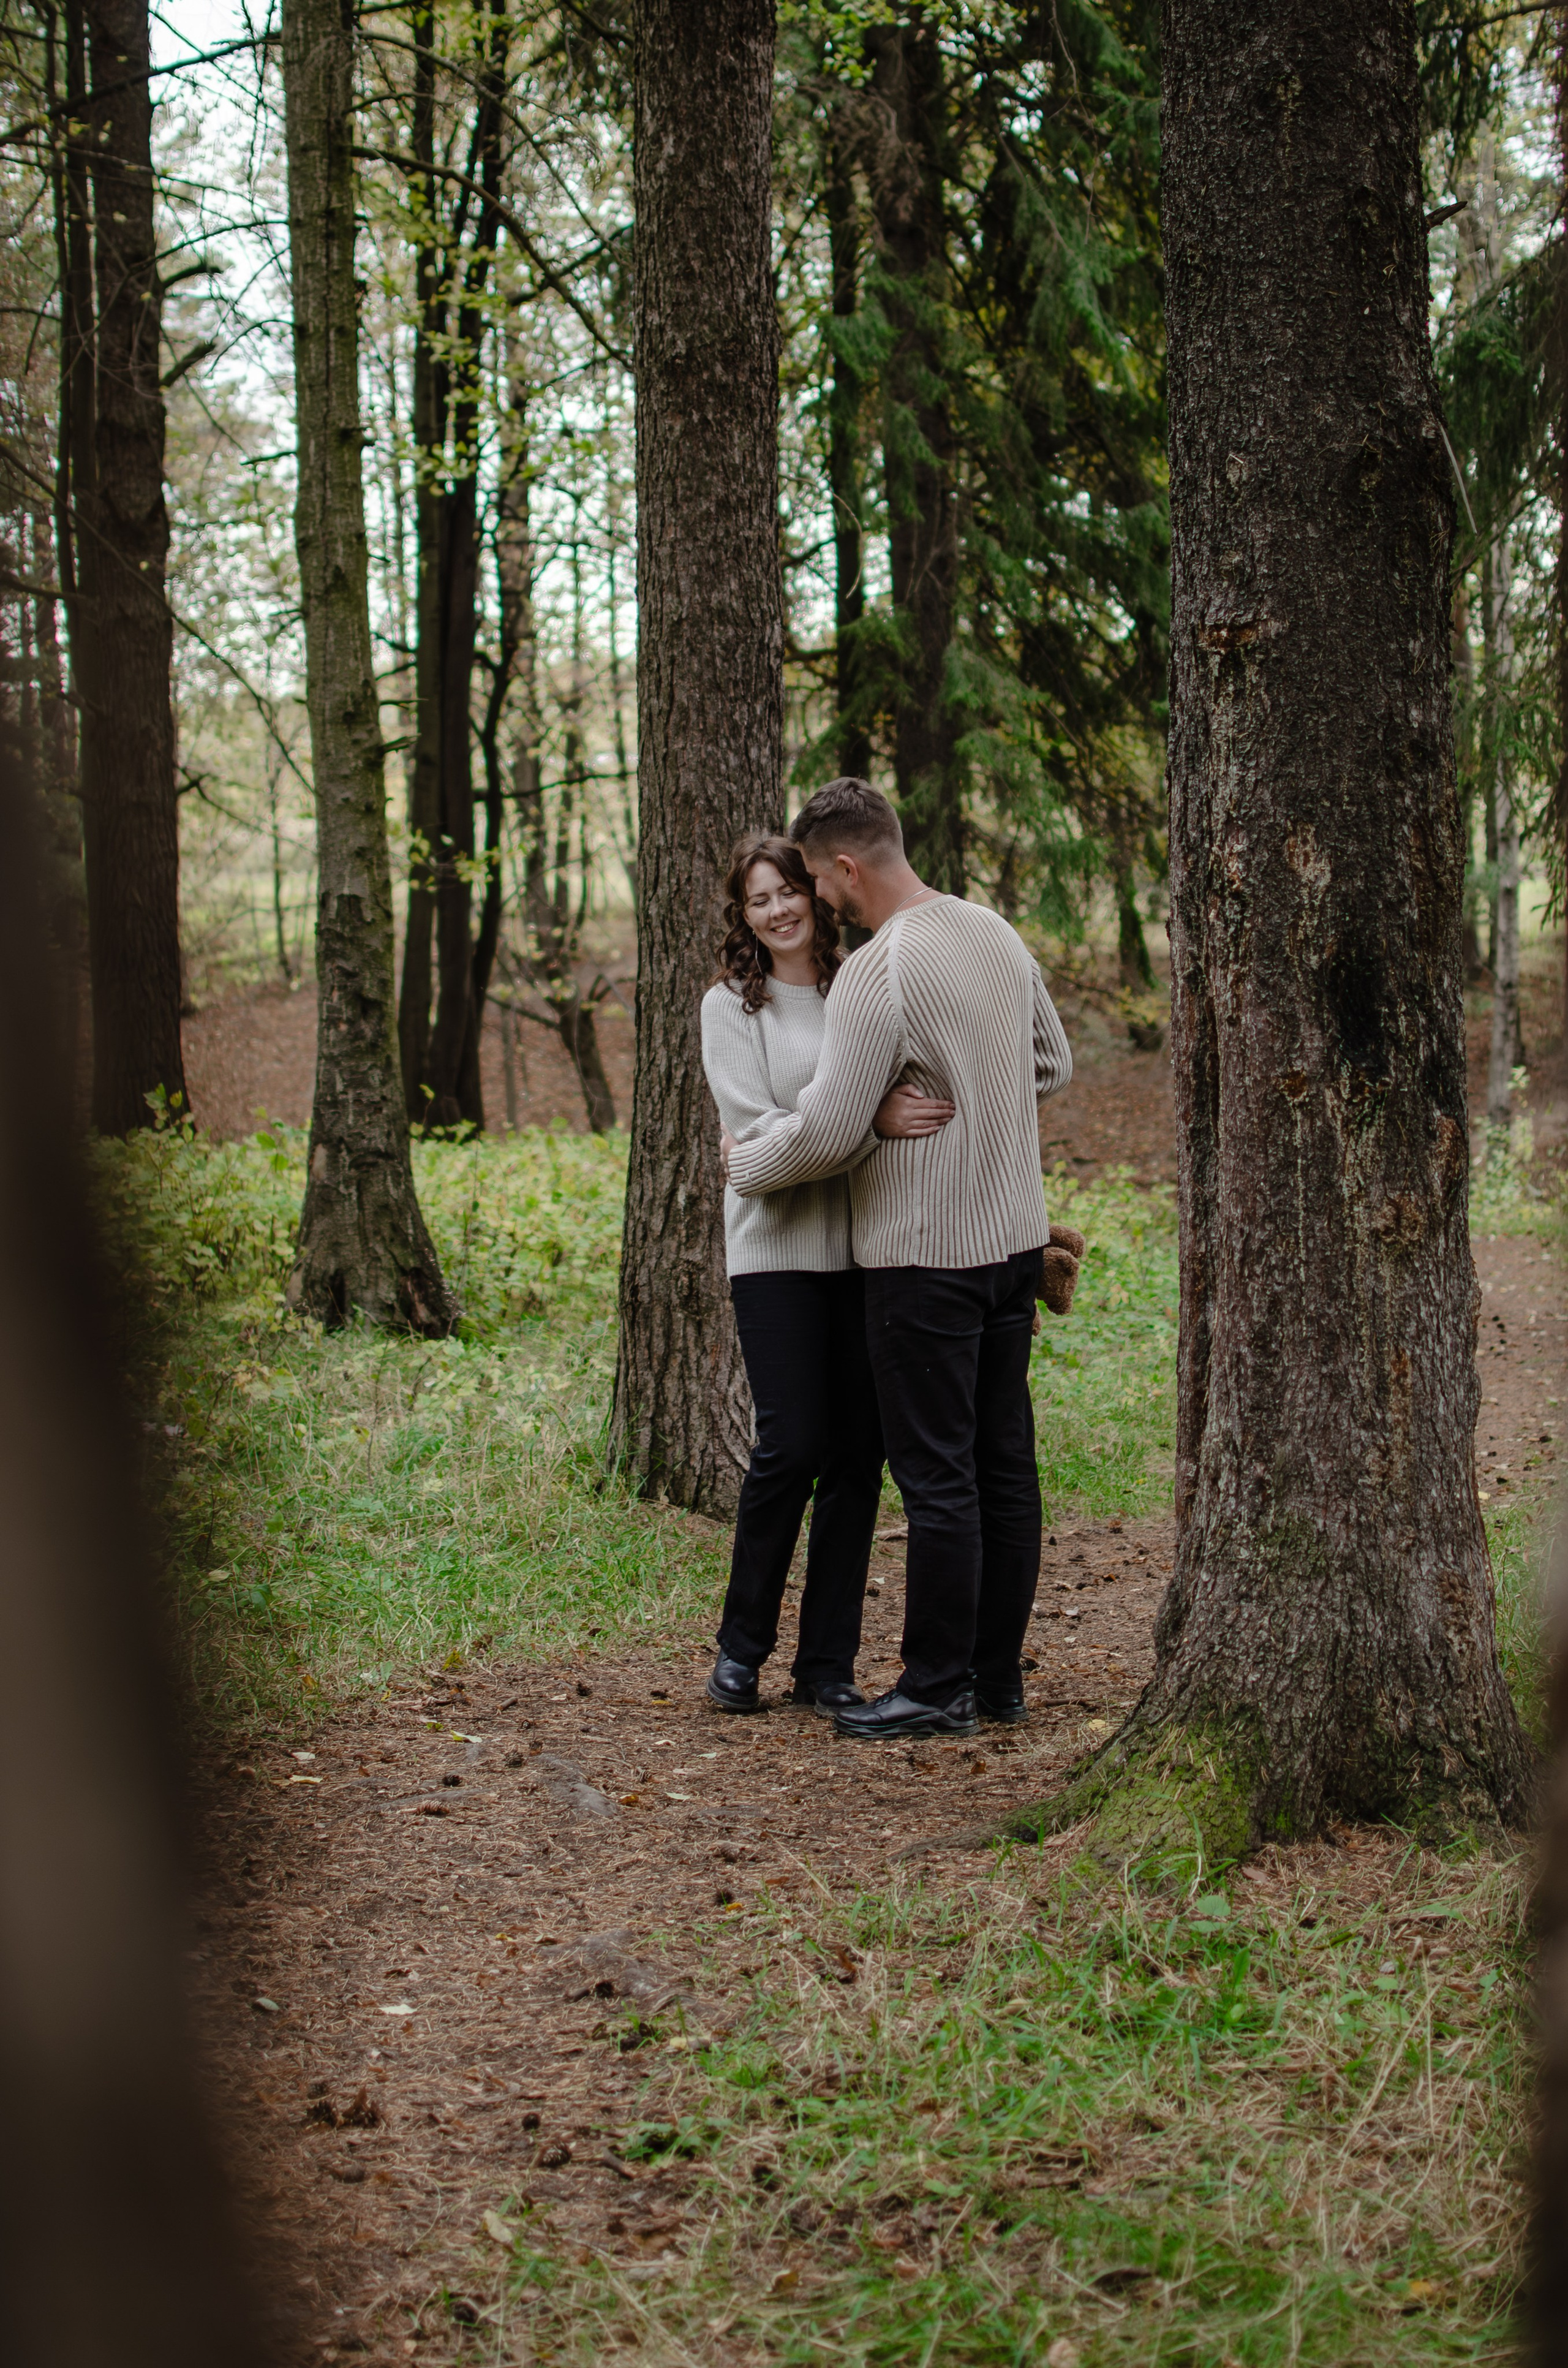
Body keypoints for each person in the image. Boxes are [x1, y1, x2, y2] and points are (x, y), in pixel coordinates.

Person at [723, 780, 1073, 1741]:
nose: (822, 905)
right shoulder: (992, 930)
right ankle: (998, 1680)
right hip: (1012, 1245)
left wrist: (748, 1161)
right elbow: (1051, 1062)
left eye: (822, 885)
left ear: (845, 866)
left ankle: (935, 1684)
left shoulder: (883, 969)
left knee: (938, 1479)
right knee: (1005, 1467)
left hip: (926, 1257)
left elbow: (831, 1131)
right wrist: (976, 1084)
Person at [699, 832, 953, 1717]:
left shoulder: (859, 988)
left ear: (816, 895)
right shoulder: (731, 1008)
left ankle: (827, 1665)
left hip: (863, 1251)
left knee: (858, 1456)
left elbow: (786, 1138)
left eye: (788, 894)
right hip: (772, 1254)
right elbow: (754, 1140)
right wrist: (860, 1115)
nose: (777, 911)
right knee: (792, 1445)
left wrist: (818, 1129)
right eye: (757, 900)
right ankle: (740, 1651)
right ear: (744, 915)